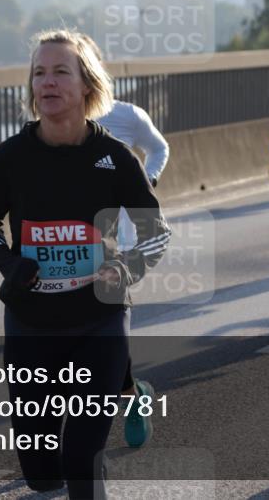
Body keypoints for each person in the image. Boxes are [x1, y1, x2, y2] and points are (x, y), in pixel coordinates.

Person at [0, 29, 170, 498]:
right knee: (41, 473)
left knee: (81, 459)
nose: (48, 82)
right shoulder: (12, 156)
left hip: (97, 322)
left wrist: (126, 270)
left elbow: (155, 233)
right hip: (31, 324)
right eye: (39, 73)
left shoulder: (115, 158)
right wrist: (9, 263)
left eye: (62, 72)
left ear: (87, 85)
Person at [94, 48, 170, 448]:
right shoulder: (49, 122)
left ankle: (131, 394)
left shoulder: (127, 116)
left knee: (108, 330)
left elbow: (160, 148)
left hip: (118, 242)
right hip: (70, 246)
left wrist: (149, 182)